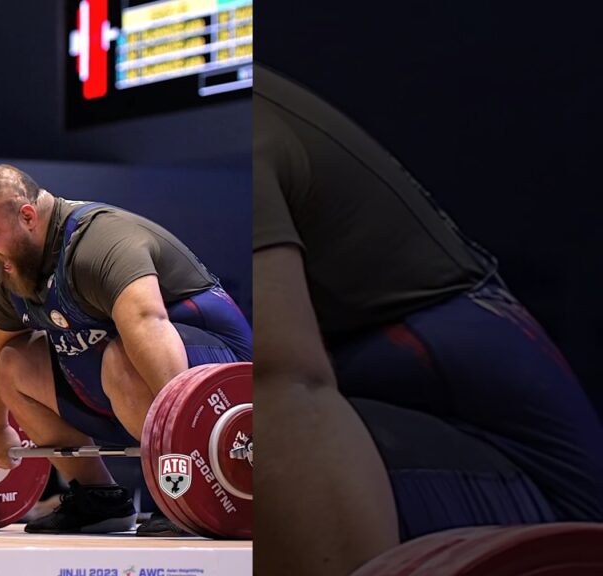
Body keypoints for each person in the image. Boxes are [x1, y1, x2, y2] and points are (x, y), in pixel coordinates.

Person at [254, 62, 603, 575]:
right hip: (410, 405)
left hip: (539, 484)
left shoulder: (248, 126)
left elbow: (284, 389)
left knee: (247, 440)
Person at [0, 164, 253, 536]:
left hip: (221, 383)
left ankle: (185, 490)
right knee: (13, 362)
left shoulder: (100, 243)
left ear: (28, 216)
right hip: (127, 388)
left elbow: (149, 325)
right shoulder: (12, 263)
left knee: (122, 355)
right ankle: (97, 499)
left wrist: (184, 450)